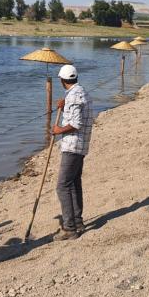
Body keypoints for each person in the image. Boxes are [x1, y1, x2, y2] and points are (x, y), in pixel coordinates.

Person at [52, 64, 93, 241]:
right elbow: (74, 111)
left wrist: (58, 130)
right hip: (80, 145)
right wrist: (64, 103)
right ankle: (78, 222)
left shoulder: (75, 96)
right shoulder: (79, 92)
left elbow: (75, 123)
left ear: (62, 80)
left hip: (73, 146)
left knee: (62, 186)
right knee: (74, 183)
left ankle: (69, 228)